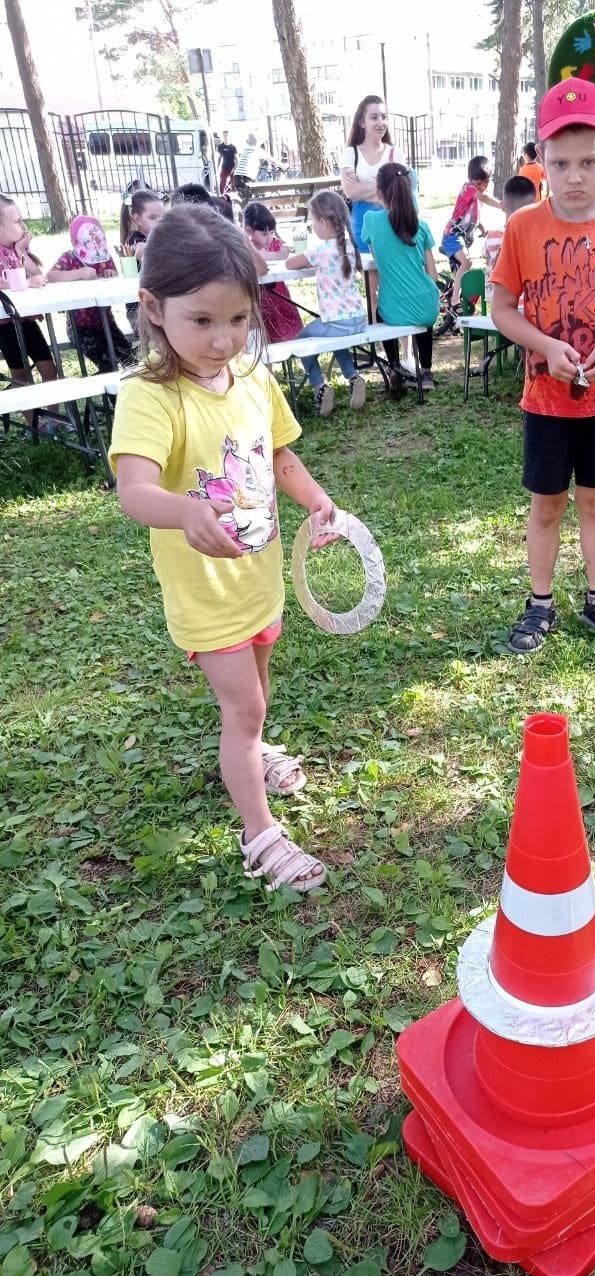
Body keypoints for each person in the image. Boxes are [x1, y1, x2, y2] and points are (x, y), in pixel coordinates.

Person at [109, 204, 339, 893]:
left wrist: (318, 501)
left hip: (257, 579)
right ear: (154, 308)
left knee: (256, 698)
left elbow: (280, 457)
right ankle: (260, 833)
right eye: (201, 321)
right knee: (242, 709)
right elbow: (133, 490)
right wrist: (183, 511)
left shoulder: (252, 380)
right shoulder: (150, 397)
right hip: (206, 594)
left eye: (238, 319)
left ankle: (253, 749)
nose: (222, 339)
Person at [489, 78, 595, 654]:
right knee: (547, 505)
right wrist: (541, 345)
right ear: (540, 159)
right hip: (545, 400)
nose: (574, 177)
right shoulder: (522, 228)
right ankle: (540, 605)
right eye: (560, 163)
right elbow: (501, 308)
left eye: (588, 162)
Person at [284, 191, 367, 416]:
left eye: (312, 222)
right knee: (333, 339)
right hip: (357, 319)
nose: (312, 227)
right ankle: (353, 376)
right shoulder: (350, 246)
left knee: (300, 342)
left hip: (337, 321)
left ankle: (319, 386)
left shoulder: (321, 251)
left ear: (322, 222)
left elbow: (291, 264)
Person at [361, 162, 439, 394]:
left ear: (379, 192)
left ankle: (394, 366)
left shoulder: (371, 220)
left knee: (379, 313)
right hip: (426, 305)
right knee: (424, 321)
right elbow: (432, 273)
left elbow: (376, 255)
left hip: (393, 307)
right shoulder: (421, 226)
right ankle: (425, 371)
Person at [46, 215, 134, 372]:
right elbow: (51, 276)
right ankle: (112, 394)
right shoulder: (69, 258)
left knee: (131, 359)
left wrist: (109, 273)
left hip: (106, 323)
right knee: (107, 364)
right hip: (79, 327)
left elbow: (113, 275)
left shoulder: (103, 257)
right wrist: (78, 273)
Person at [0, 193, 58, 426]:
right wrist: (24, 283)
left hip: (26, 320)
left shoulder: (17, 250)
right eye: (16, 222)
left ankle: (54, 418)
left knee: (49, 368)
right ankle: (33, 422)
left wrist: (20, 251)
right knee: (21, 375)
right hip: (5, 325)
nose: (23, 226)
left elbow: (36, 273)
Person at [339, 95, 406, 256]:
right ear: (362, 122)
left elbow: (402, 190)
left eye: (384, 117)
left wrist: (365, 189)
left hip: (393, 223)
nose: (380, 122)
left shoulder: (395, 154)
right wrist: (386, 184)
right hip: (361, 224)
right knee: (371, 278)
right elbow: (351, 191)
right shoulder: (351, 154)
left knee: (392, 277)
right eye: (374, 117)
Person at [441, 155, 502, 306]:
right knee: (467, 262)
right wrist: (502, 205)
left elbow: (474, 217)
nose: (482, 186)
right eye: (479, 182)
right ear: (470, 179)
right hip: (452, 235)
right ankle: (455, 302)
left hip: (461, 237)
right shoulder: (469, 188)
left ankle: (457, 298)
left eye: (486, 182)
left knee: (467, 268)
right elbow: (485, 198)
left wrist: (482, 228)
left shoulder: (474, 195)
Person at [242, 201, 303, 347]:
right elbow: (256, 257)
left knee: (290, 331)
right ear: (249, 231)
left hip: (278, 293)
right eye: (264, 233)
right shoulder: (245, 246)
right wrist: (270, 255)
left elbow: (284, 252)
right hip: (260, 297)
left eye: (272, 232)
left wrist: (269, 254)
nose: (269, 238)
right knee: (267, 332)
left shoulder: (273, 243)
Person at [120, 188, 165, 339]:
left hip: (156, 304)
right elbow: (142, 251)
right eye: (153, 218)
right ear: (138, 219)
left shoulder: (158, 239)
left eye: (163, 218)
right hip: (140, 310)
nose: (160, 222)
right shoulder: (135, 239)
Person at [485, 175, 537, 289]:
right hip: (527, 302)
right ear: (533, 207)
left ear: (502, 205)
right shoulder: (534, 237)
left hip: (496, 301)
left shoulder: (491, 236)